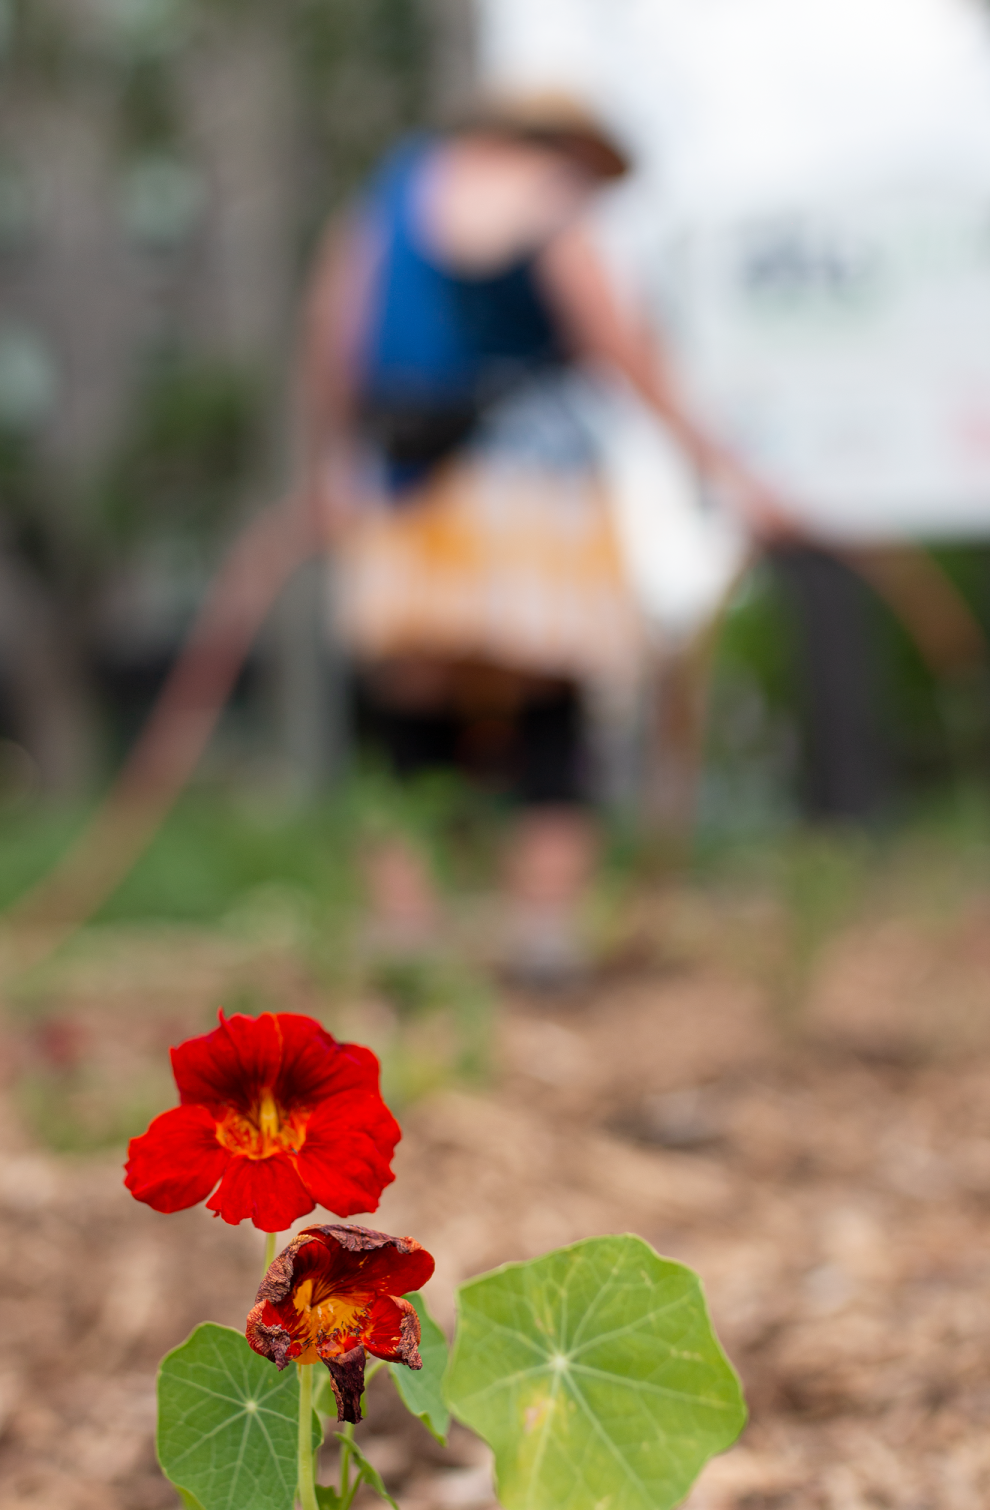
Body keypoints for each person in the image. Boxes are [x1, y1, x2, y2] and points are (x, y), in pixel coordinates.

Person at [301, 93, 787, 983]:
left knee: (408, 708)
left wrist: (333, 464)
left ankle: (405, 929)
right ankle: (543, 932)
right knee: (547, 705)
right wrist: (721, 464)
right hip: (531, 487)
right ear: (558, 145)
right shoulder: (542, 198)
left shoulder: (388, 200)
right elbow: (617, 341)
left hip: (408, 487)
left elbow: (337, 338)